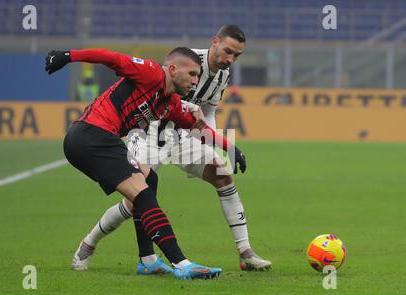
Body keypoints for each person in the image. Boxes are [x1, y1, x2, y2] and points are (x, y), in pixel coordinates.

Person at [72, 25, 272, 273]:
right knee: (138, 197)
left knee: (222, 174)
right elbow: (160, 89)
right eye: (228, 51)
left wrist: (213, 142)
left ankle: (246, 253)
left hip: (184, 136)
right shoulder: (187, 60)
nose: (230, 59)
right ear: (215, 42)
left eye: (237, 56)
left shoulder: (222, 76)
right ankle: (90, 243)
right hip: (150, 134)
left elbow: (208, 111)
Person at [45, 46, 247, 279]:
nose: (195, 81)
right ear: (172, 69)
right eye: (192, 74)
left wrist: (230, 148)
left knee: (149, 179)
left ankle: (147, 260)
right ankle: (181, 263)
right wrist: (69, 56)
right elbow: (112, 58)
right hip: (91, 134)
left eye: (198, 76)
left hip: (95, 140)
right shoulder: (151, 73)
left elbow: (197, 128)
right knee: (143, 195)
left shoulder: (168, 103)